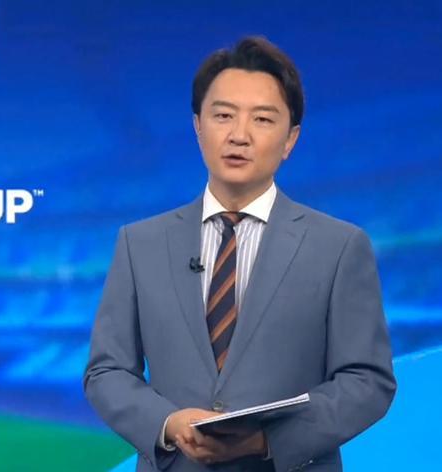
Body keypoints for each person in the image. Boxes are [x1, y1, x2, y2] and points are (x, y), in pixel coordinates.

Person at [83, 36, 396, 472]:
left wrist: (268, 440)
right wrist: (168, 424)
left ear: (290, 139)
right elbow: (106, 372)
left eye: (262, 119)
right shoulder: (140, 244)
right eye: (223, 115)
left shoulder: (340, 247)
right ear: (198, 126)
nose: (239, 135)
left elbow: (367, 381)